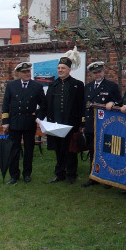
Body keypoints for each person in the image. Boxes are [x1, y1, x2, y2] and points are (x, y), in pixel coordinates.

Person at [43, 49, 85, 185]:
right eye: (59, 68)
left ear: (69, 70)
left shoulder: (77, 85)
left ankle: (71, 174)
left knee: (71, 151)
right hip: (56, 123)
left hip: (71, 124)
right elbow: (46, 104)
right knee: (59, 150)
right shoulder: (53, 85)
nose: (60, 70)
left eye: (63, 68)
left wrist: (82, 123)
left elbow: (81, 105)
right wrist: (39, 118)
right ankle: (59, 173)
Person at [1, 62, 46, 184]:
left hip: (29, 122)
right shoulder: (11, 85)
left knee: (29, 149)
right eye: (24, 72)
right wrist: (5, 122)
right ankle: (14, 175)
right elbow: (5, 104)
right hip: (14, 122)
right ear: (19, 73)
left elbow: (44, 105)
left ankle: (27, 174)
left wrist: (37, 115)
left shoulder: (36, 86)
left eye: (28, 71)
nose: (27, 74)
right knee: (14, 149)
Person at [81, 61, 122, 188]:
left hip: (106, 125)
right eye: (94, 73)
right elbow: (84, 106)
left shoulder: (111, 86)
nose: (97, 74)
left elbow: (120, 102)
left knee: (107, 152)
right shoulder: (87, 87)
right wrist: (83, 123)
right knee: (93, 151)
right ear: (91, 74)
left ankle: (107, 177)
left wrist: (113, 104)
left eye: (99, 72)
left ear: (103, 72)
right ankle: (94, 175)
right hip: (91, 124)